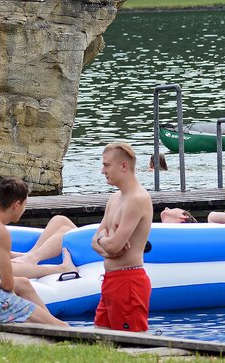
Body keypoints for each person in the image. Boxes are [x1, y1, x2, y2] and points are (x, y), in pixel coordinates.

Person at [0, 178, 67, 328]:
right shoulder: (0, 232)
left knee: (24, 283)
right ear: (17, 205)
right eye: (25, 204)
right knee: (60, 325)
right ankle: (61, 328)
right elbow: (8, 285)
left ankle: (49, 319)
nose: (24, 209)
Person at [92, 142, 153, 332]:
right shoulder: (114, 199)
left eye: (107, 165)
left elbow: (113, 246)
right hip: (110, 280)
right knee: (100, 339)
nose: (103, 171)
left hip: (129, 281)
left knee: (131, 343)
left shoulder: (137, 199)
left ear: (124, 166)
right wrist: (105, 241)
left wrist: (105, 242)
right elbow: (95, 241)